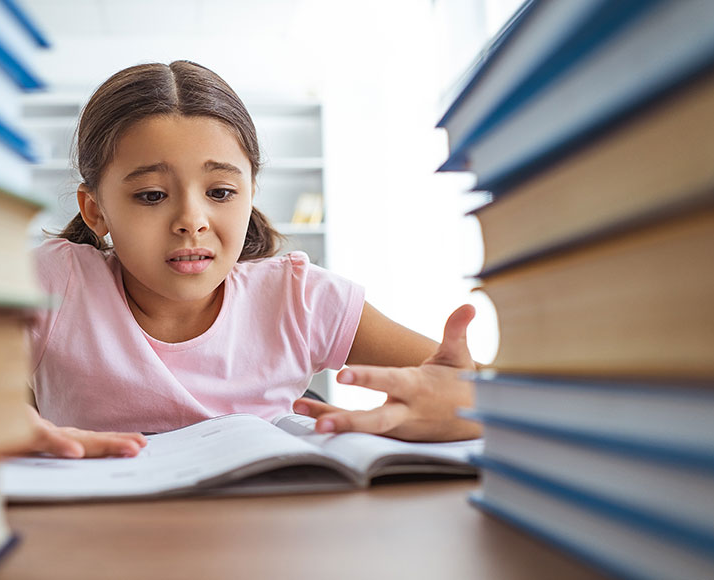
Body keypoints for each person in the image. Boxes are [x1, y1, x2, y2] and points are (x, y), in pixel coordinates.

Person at [24, 61, 481, 459]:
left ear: (250, 196)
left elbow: (482, 398)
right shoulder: (53, 283)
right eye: (151, 195)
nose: (191, 220)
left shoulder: (299, 298)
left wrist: (463, 407)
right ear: (95, 210)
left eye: (220, 192)